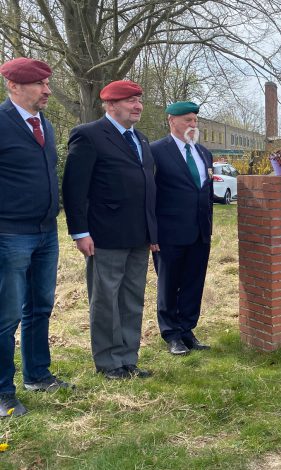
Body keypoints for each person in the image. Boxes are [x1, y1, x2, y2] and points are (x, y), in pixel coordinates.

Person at [62, 80, 158, 380]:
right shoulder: (89, 135)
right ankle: (108, 362)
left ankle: (128, 359)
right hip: (104, 235)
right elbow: (74, 188)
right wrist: (80, 232)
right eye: (131, 101)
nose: (138, 106)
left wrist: (153, 233)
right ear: (111, 104)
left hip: (138, 235)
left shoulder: (141, 139)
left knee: (132, 299)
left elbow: (147, 187)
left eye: (139, 100)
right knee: (106, 301)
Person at [0, 58, 73, 417]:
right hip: (10, 234)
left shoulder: (44, 123)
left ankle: (38, 375)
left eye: (47, 83)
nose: (47, 90)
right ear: (13, 86)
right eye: (39, 84)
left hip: (46, 232)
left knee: (40, 307)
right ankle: (3, 393)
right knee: (6, 316)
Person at [151, 101, 214, 356]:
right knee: (169, 284)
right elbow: (149, 194)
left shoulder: (204, 153)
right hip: (169, 233)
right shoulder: (155, 151)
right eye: (188, 120)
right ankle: (171, 334)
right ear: (171, 120)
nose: (193, 124)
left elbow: (206, 192)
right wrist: (151, 232)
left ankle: (187, 329)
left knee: (193, 283)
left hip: (200, 231)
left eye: (195, 120)